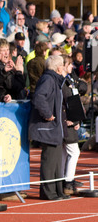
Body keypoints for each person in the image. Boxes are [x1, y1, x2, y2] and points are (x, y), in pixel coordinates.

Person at [28, 55, 69, 200]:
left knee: (57, 162)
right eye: (63, 65)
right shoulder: (48, 79)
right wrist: (47, 114)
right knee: (49, 162)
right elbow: (39, 97)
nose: (64, 68)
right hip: (48, 126)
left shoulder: (55, 80)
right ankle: (48, 192)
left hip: (55, 127)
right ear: (59, 67)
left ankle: (58, 191)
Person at [61, 55, 87, 195]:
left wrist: (77, 119)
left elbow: (79, 91)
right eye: (70, 65)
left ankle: (65, 180)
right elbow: (67, 101)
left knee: (65, 153)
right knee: (73, 151)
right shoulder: (63, 81)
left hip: (70, 120)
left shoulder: (69, 79)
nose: (72, 67)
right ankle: (68, 182)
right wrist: (72, 119)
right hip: (66, 121)